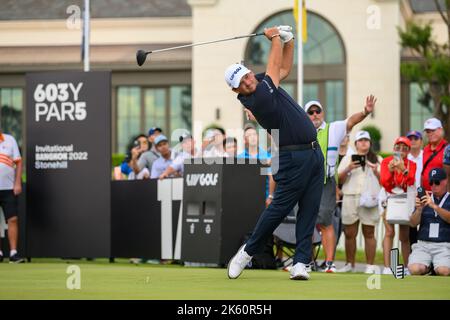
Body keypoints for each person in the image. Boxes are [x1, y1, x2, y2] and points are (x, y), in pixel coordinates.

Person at [226, 25, 324, 281]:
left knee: (309, 210)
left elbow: (282, 70)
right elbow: (273, 67)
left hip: (314, 155)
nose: (248, 80)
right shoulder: (258, 98)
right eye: (242, 82)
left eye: (247, 75)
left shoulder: (264, 84)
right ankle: (246, 253)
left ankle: (301, 263)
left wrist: (288, 42)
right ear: (237, 91)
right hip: (293, 157)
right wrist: (276, 39)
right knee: (278, 210)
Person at [304, 95, 376, 273]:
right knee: (305, 222)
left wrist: (365, 112)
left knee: (326, 222)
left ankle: (329, 263)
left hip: (326, 182)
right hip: (305, 183)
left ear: (322, 113)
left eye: (317, 111)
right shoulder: (301, 130)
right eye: (310, 112)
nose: (314, 115)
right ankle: (304, 261)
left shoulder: (334, 128)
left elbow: (351, 121)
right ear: (306, 115)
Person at [337, 131, 382, 273]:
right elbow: (339, 179)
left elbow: (384, 182)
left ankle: (370, 265)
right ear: (355, 144)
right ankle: (350, 264)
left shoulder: (378, 159)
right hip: (350, 197)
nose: (364, 143)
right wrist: (349, 168)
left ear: (370, 143)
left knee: (369, 232)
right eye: (360, 140)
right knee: (350, 233)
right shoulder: (348, 158)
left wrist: (376, 171)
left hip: (370, 199)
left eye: (366, 140)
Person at [380, 136, 417, 275]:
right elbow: (384, 183)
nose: (401, 150)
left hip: (404, 200)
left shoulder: (411, 164)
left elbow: (411, 180)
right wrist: (390, 171)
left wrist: (403, 169)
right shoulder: (386, 162)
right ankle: (387, 267)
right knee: (389, 232)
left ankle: (407, 267)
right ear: (394, 148)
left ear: (408, 151)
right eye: (398, 147)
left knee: (404, 236)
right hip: (389, 199)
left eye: (404, 148)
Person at [408, 168, 450, 276]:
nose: (434, 185)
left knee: (444, 271)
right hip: (423, 244)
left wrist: (434, 207)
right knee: (415, 269)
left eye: (437, 182)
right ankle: (429, 268)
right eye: (431, 182)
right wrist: (419, 210)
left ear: (445, 181)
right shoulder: (423, 199)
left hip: (444, 245)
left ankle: (435, 268)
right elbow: (412, 223)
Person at [0, 131, 24, 263]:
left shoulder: (10, 140)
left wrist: (17, 182)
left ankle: (13, 253)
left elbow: (18, 162)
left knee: (13, 219)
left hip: (9, 188)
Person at [406, 130, 424, 246]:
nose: (412, 141)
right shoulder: (405, 157)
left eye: (415, 138)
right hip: (409, 194)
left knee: (424, 225)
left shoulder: (425, 155)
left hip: (423, 192)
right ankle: (412, 259)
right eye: (410, 139)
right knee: (409, 231)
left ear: (421, 141)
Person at [422, 118, 448, 191]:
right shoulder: (425, 149)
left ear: (441, 130)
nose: (430, 134)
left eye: (433, 130)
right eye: (427, 131)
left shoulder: (448, 149)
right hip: (426, 195)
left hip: (442, 196)